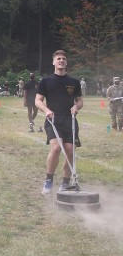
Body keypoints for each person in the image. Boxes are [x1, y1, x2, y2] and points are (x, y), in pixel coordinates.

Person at [35, 50, 83, 195]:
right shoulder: (45, 81)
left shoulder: (74, 82)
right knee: (56, 148)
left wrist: (76, 106)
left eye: (63, 59)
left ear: (66, 62)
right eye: (58, 59)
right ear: (54, 62)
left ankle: (65, 183)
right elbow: (38, 100)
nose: (61, 60)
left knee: (70, 151)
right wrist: (46, 110)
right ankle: (48, 180)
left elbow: (80, 100)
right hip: (53, 119)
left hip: (70, 120)